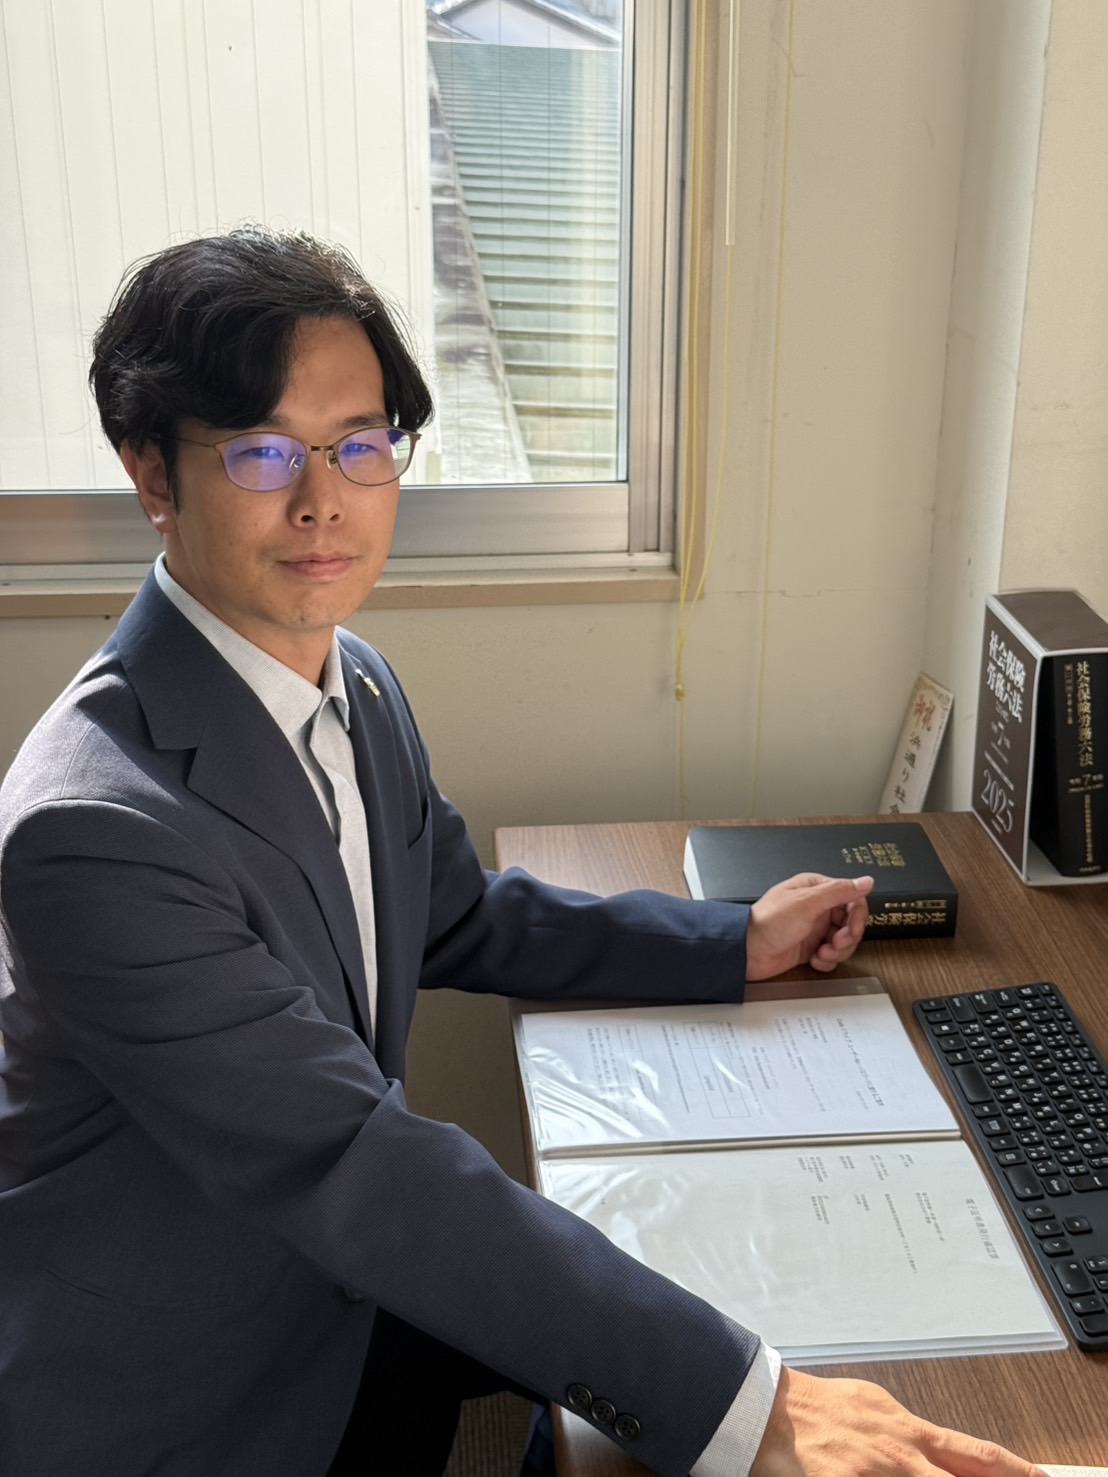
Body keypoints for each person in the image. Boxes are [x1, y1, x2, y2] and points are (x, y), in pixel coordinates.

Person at [0, 226, 1044, 1477]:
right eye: (263, 451)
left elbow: (456, 914)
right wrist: (755, 1411)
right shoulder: (93, 830)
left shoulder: (351, 681)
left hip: (344, 1281)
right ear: (153, 476)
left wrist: (731, 942)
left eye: (360, 444)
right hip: (198, 1392)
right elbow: (349, 1160)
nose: (323, 499)